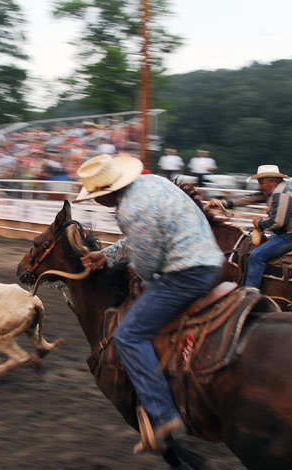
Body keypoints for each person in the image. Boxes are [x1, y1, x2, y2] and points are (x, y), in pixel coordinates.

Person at [75, 154, 224, 450]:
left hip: (185, 273)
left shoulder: (129, 210)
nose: (95, 201)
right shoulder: (153, 182)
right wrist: (107, 255)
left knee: (128, 334)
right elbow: (143, 238)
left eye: (95, 196)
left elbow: (145, 263)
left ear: (105, 195)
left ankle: (163, 414)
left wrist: (136, 270)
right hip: (210, 262)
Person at [208, 164, 292, 290]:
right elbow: (250, 199)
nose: (260, 186)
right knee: (252, 249)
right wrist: (223, 203)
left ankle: (250, 292)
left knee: (257, 255)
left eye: (261, 182)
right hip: (286, 235)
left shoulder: (281, 194)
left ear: (272, 181)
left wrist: (259, 223)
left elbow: (277, 222)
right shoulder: (274, 191)